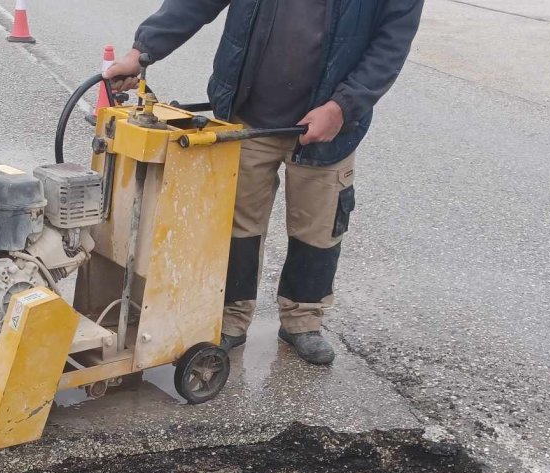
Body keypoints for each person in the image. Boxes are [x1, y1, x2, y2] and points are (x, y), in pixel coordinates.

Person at [107, 0, 424, 366]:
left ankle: (302, 321)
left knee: (317, 229)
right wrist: (142, 51)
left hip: (329, 128)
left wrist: (342, 107)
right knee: (237, 224)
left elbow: (391, 45)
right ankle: (230, 318)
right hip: (249, 115)